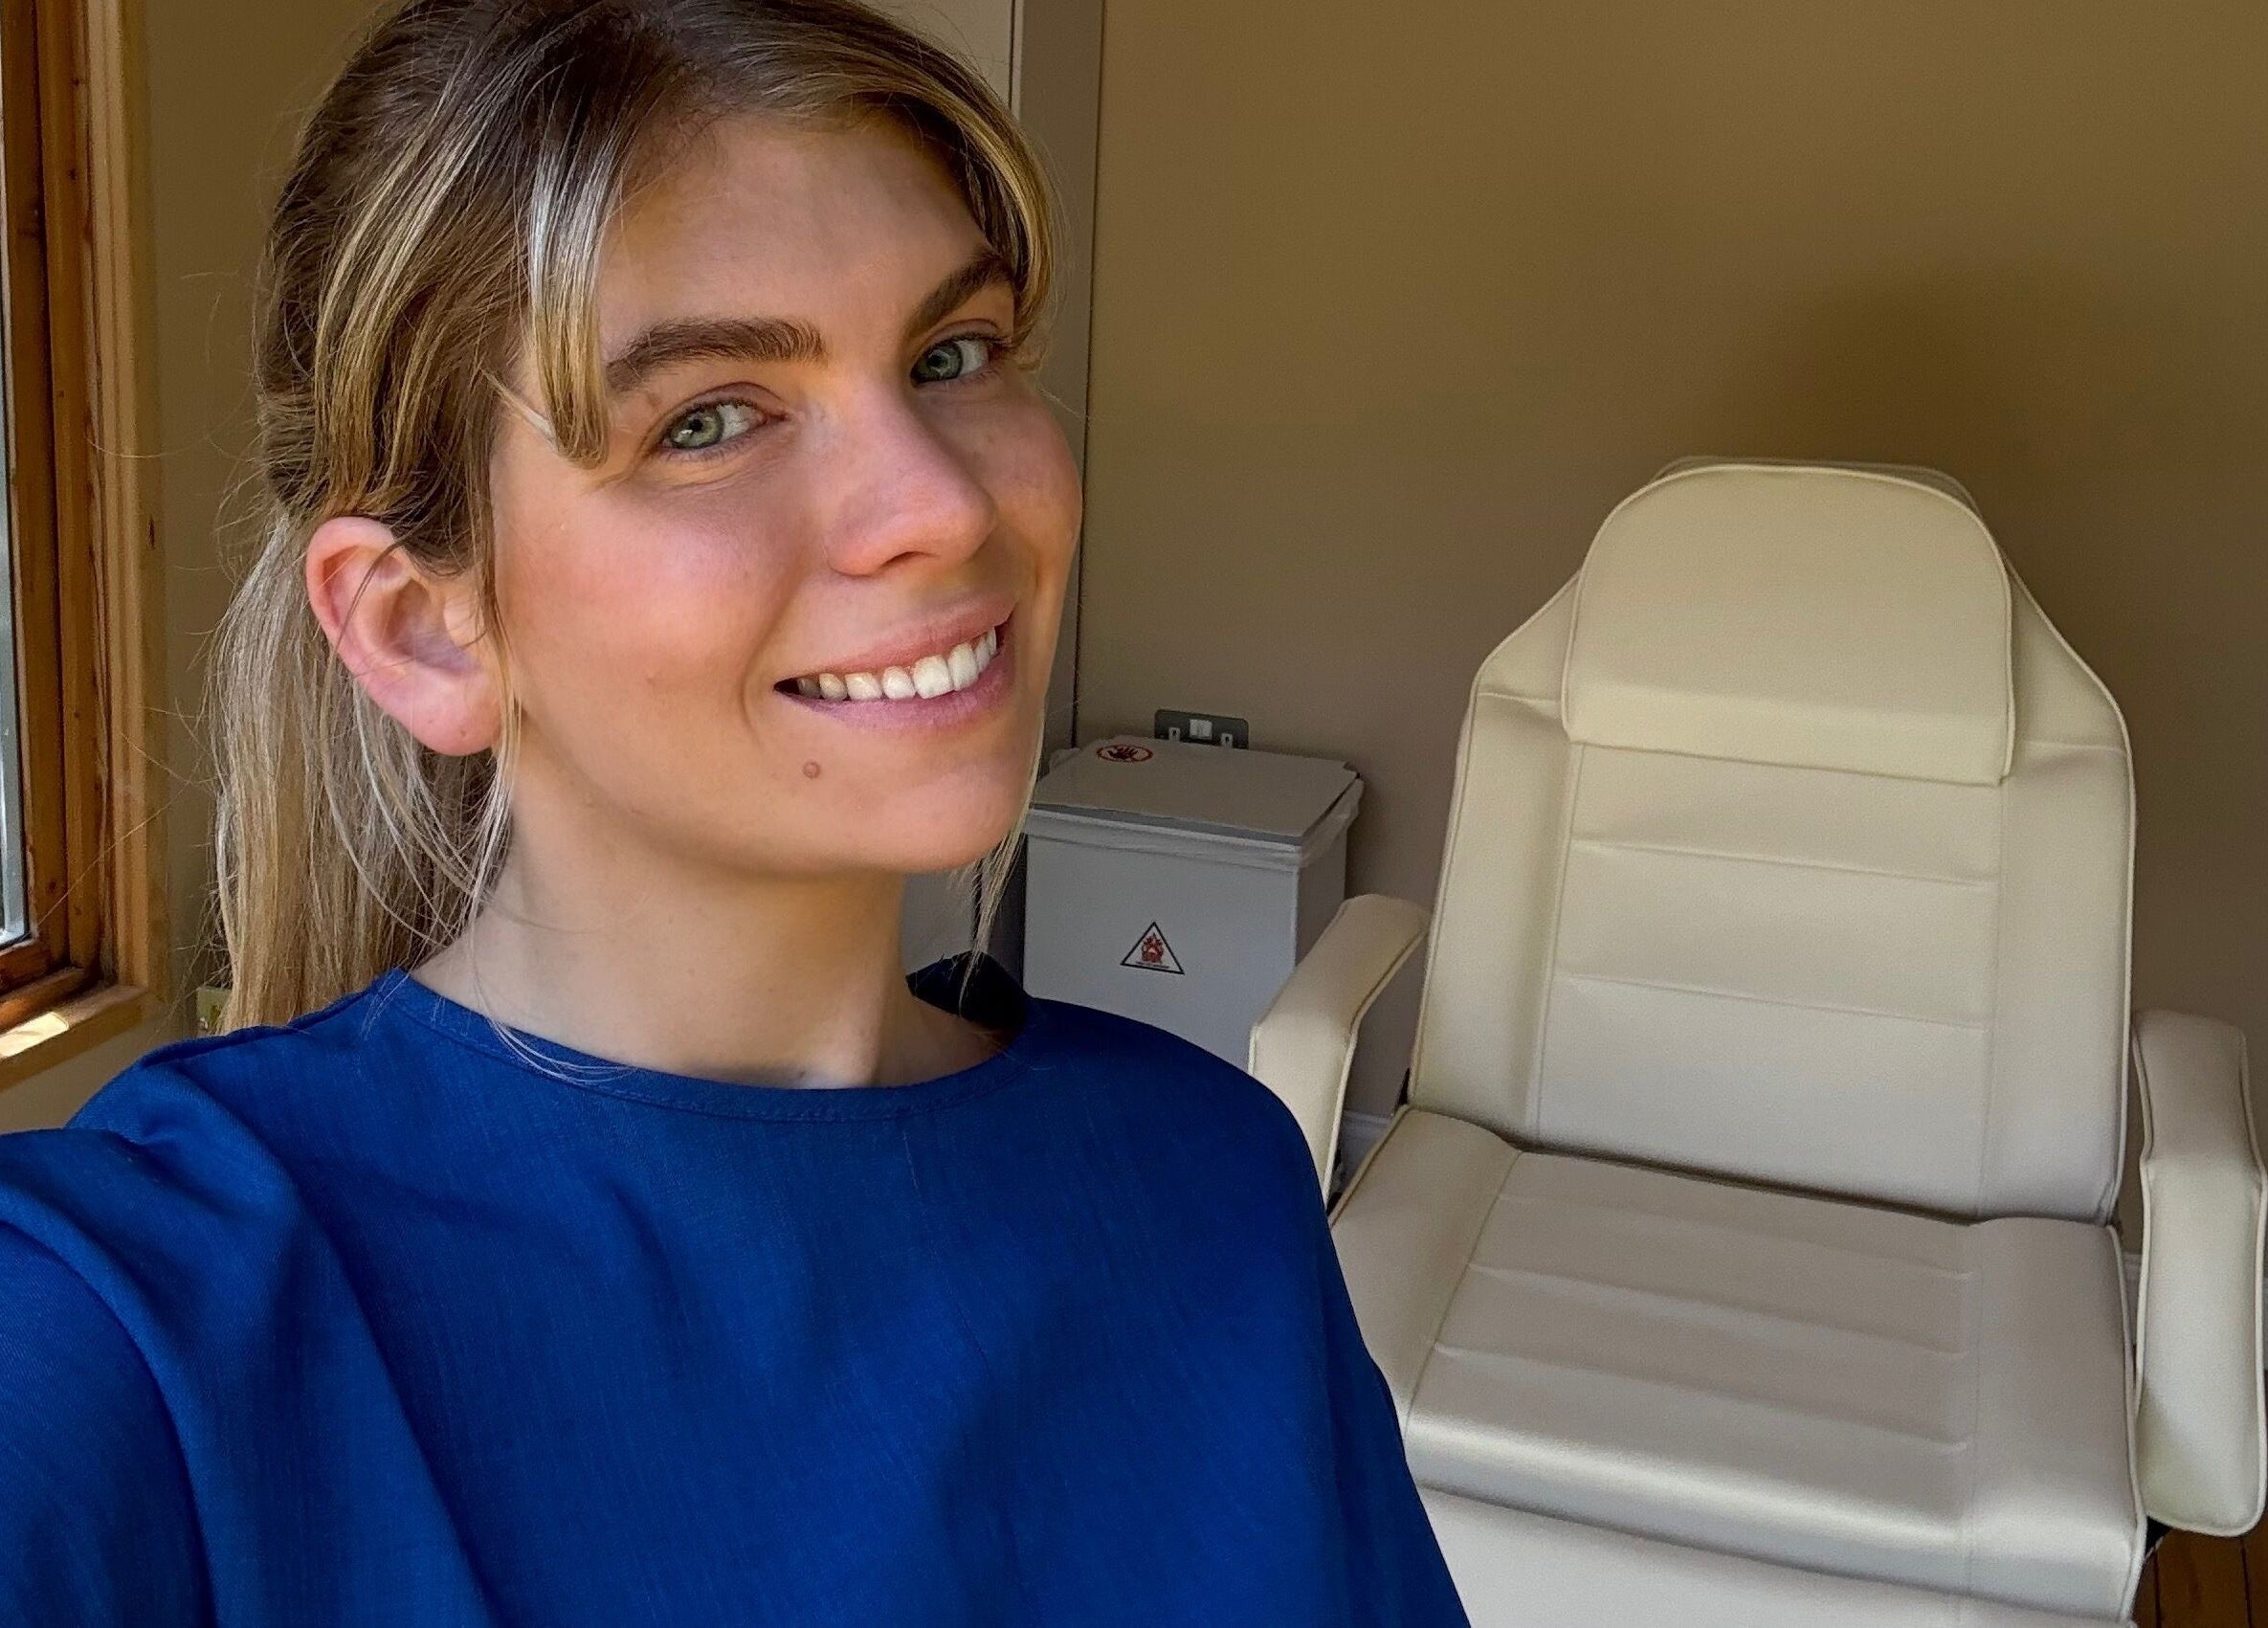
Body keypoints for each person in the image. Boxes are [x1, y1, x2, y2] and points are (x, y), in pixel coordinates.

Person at [0, 2, 1470, 1622]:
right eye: (706, 418)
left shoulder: (1211, 1187)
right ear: (426, 626)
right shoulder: (135, 1326)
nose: (944, 502)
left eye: (951, 356)